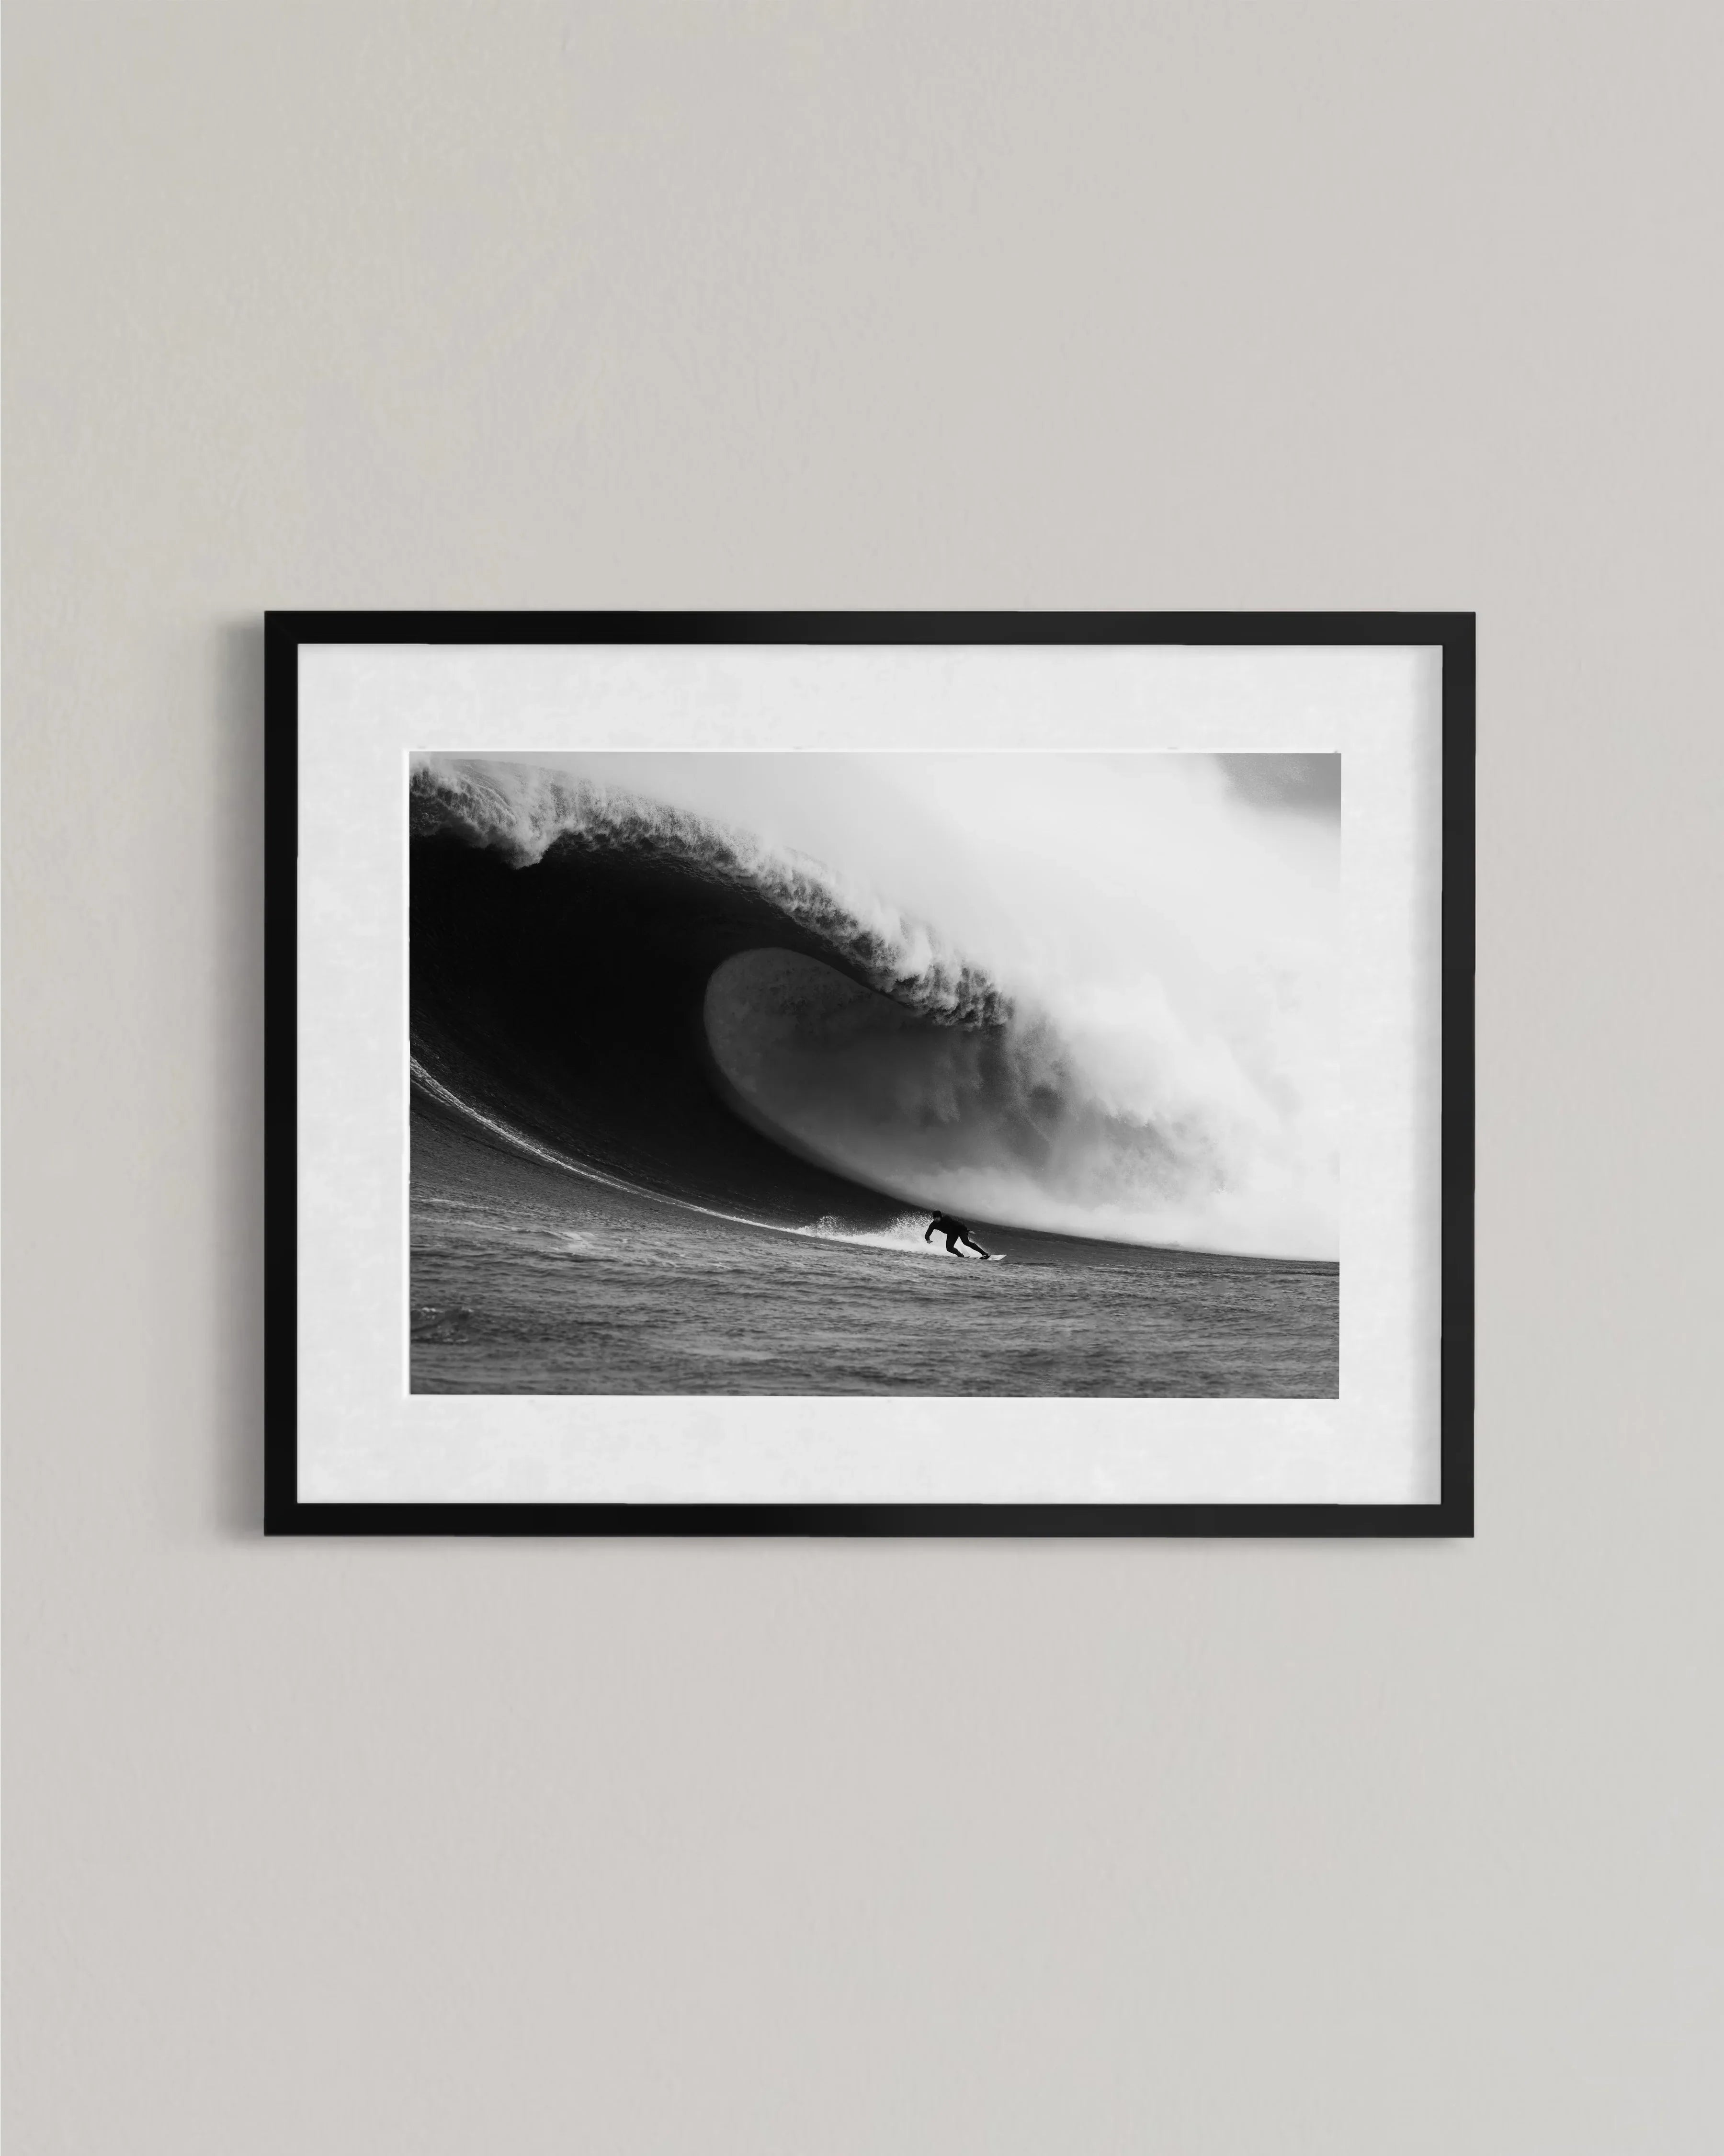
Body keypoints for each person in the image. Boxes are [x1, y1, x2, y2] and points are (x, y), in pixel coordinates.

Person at [924, 1211, 991, 1260]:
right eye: (935, 1218)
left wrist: (967, 1230)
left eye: (938, 1217)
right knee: (949, 1248)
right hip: (952, 1234)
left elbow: (957, 1223)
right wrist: (928, 1239)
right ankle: (961, 1256)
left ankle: (984, 1254)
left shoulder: (946, 1219)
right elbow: (928, 1233)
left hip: (960, 1230)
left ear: (941, 1217)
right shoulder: (934, 1225)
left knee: (966, 1242)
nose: (936, 1219)